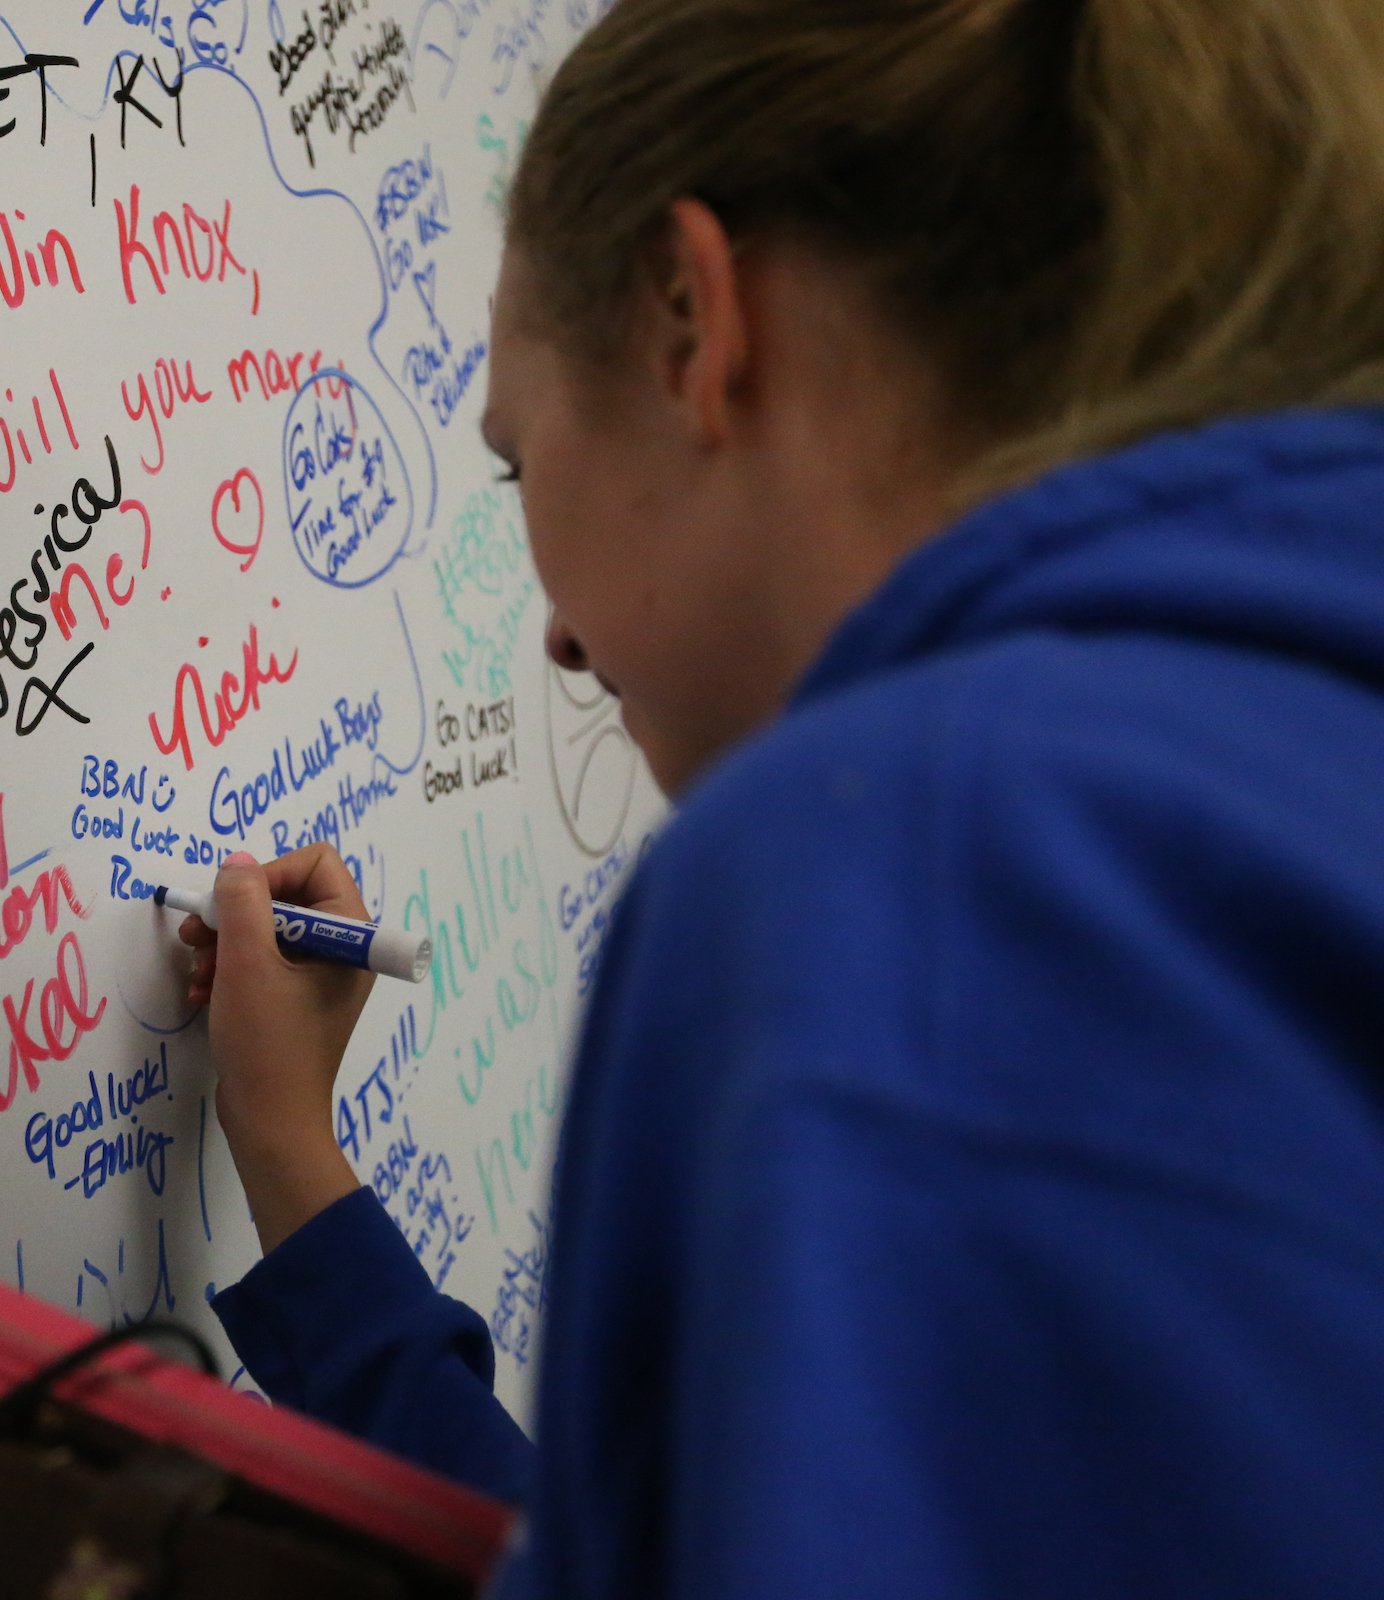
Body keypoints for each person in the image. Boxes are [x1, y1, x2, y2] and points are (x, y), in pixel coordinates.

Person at [180, 0, 1384, 1595]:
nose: (553, 629)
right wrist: (292, 1160)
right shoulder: (1292, 717)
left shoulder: (925, 873)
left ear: (692, 320)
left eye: (513, 460)